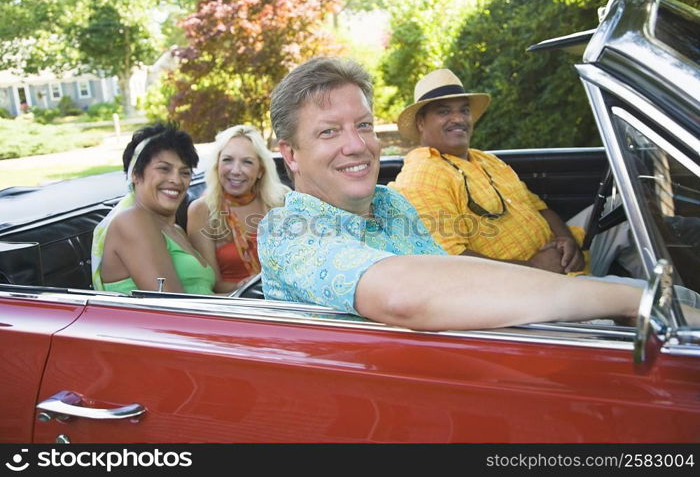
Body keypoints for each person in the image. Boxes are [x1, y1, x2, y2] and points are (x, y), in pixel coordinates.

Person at [258, 57, 641, 331]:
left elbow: (460, 275)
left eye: (364, 125)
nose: (358, 145)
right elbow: (405, 296)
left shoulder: (391, 204)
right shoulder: (286, 230)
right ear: (290, 154)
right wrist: (625, 301)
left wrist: (588, 293)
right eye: (329, 132)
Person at [389, 68, 641, 277]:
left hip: (562, 259)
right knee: (647, 304)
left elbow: (539, 207)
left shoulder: (487, 160)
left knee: (627, 210)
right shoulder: (423, 175)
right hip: (523, 287)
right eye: (444, 111)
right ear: (422, 122)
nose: (458, 118)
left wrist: (567, 241)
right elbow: (450, 260)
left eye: (464, 110)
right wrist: (533, 268)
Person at [91, 123, 215, 295]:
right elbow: (174, 306)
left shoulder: (176, 230)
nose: (176, 180)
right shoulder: (132, 220)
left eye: (184, 172)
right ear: (135, 174)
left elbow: (204, 297)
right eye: (164, 169)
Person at [187, 124, 290, 293]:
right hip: (236, 308)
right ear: (217, 164)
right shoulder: (201, 210)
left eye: (247, 162)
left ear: (260, 170)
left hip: (290, 303)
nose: (235, 170)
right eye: (227, 160)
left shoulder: (281, 200)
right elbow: (210, 284)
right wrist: (250, 286)